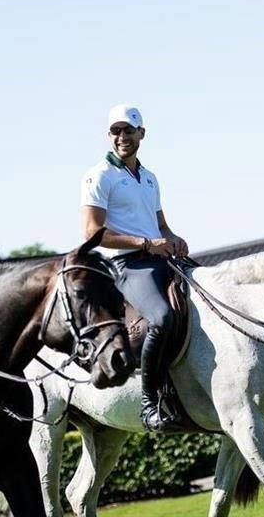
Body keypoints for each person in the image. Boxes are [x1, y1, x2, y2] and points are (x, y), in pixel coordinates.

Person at [81, 105, 189, 431]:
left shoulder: (149, 178)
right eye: (116, 131)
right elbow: (93, 233)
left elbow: (161, 226)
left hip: (157, 258)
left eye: (128, 130)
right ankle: (149, 402)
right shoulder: (98, 175)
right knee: (163, 318)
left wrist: (173, 238)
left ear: (141, 134)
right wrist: (145, 243)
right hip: (126, 265)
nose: (122, 137)